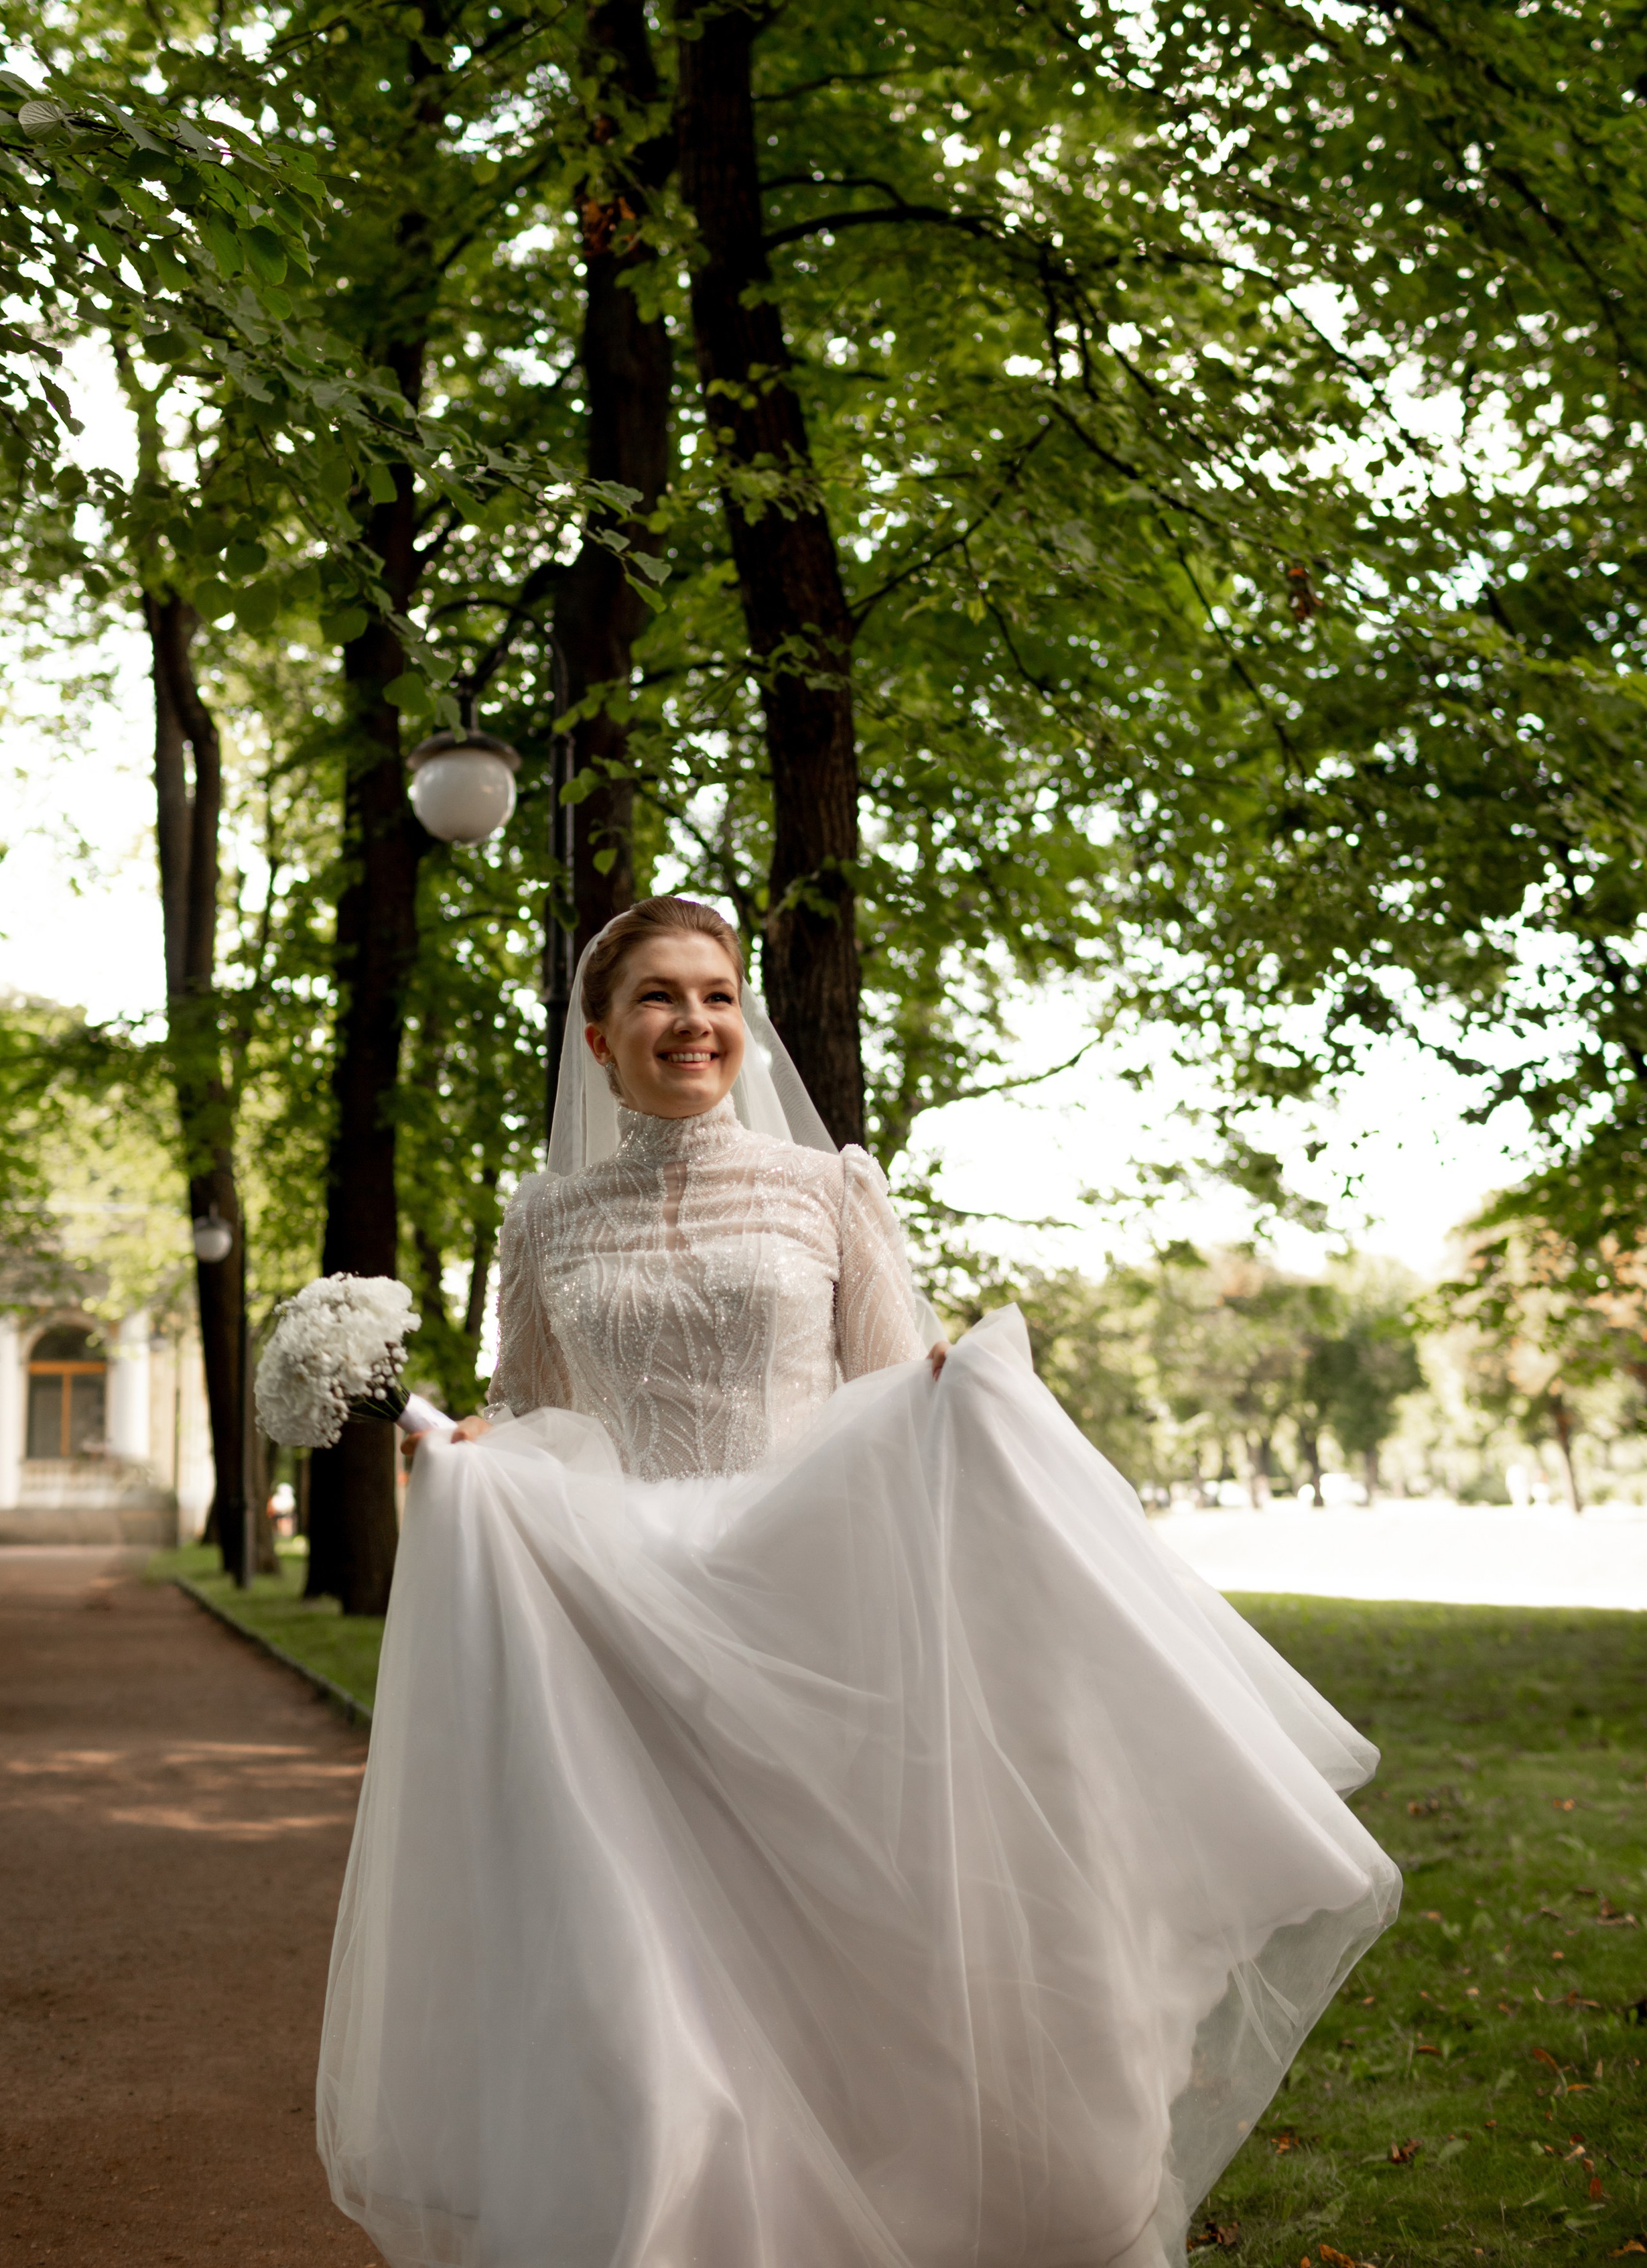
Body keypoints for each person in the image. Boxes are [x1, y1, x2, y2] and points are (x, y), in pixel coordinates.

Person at [319, 895, 1398, 2268]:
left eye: (714, 993)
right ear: (599, 1039)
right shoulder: (543, 1217)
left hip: (800, 1596)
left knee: (851, 1944)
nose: (692, 1021)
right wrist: (483, 1446)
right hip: (627, 1630)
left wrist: (959, 1399)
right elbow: (541, 1414)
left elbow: (889, 1394)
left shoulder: (826, 1188)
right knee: (646, 1975)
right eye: (656, 997)